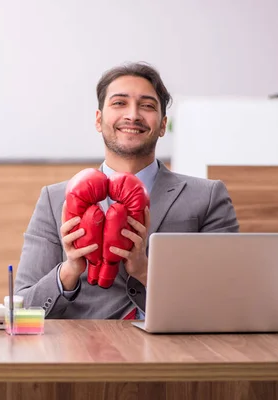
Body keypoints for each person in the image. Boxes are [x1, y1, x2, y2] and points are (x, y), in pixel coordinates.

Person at [14, 62, 239, 319]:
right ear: (99, 120)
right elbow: (21, 310)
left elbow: (225, 299)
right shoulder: (55, 200)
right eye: (119, 103)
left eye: (147, 105)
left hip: (174, 352)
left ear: (163, 125)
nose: (133, 115)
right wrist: (69, 270)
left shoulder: (208, 197)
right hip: (84, 353)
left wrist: (145, 271)